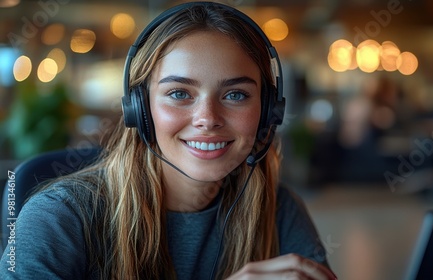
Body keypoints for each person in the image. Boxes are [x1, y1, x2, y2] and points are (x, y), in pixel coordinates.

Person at [1, 2, 337, 279]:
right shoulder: (60, 215)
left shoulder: (276, 208)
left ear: (267, 112)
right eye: (179, 93)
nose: (207, 117)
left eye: (236, 94)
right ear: (140, 108)